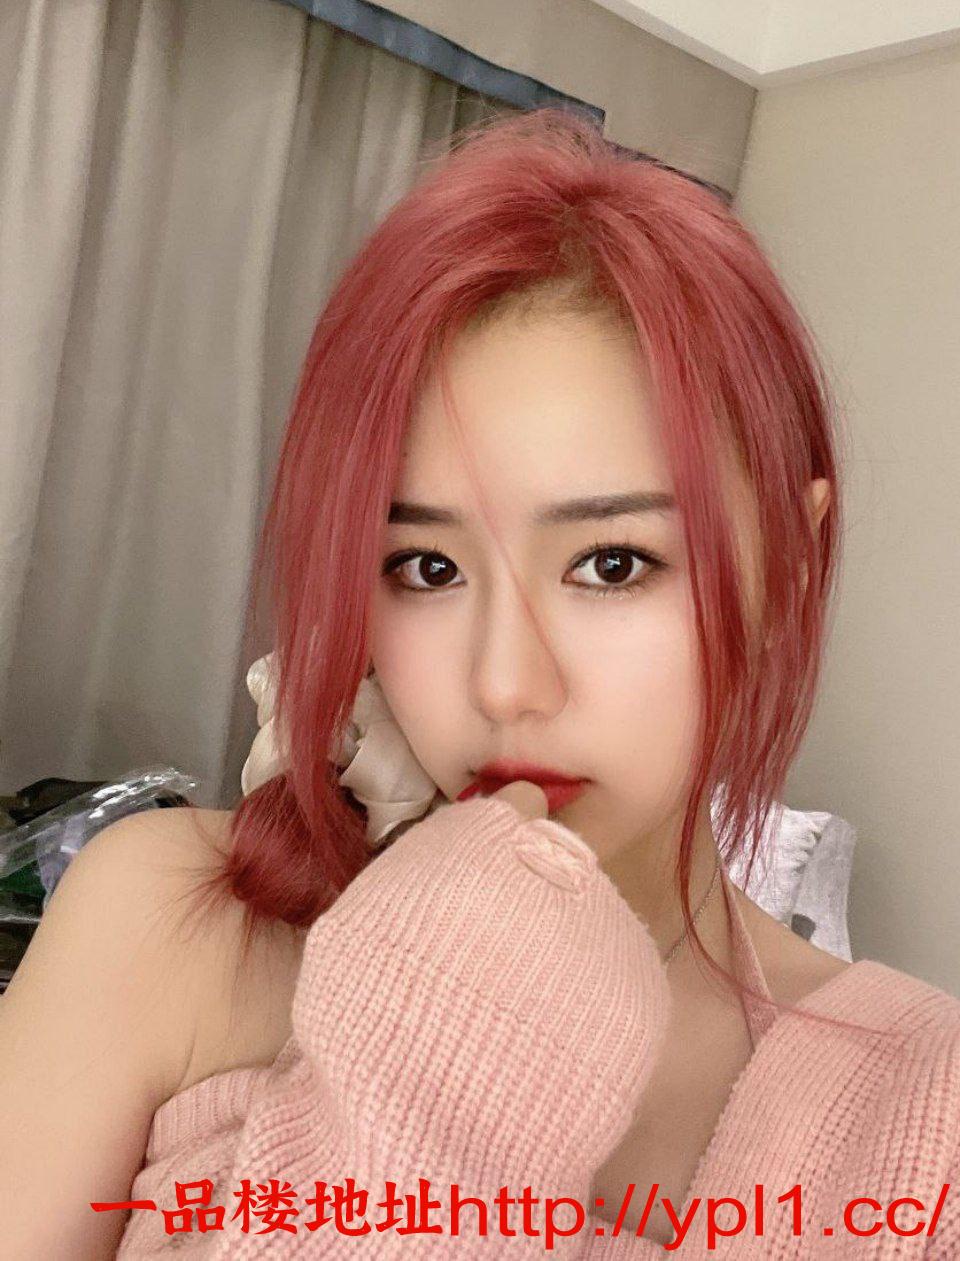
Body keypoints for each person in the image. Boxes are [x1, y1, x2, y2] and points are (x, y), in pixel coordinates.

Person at [1, 107, 958, 1259]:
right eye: (426, 567)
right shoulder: (171, 921)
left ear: (788, 565)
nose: (505, 683)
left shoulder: (927, 1115)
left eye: (613, 564)